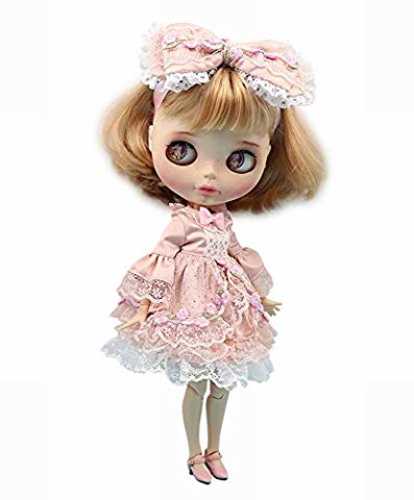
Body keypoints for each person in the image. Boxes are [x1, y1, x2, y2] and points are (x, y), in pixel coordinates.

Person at [100, 22, 326, 484]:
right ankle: (193, 453)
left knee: (222, 386)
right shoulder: (182, 223)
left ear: (268, 155)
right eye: (182, 150)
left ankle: (215, 448)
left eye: (239, 159)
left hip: (229, 314)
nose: (209, 176)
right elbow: (161, 263)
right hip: (191, 312)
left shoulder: (223, 223)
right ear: (150, 136)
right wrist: (144, 306)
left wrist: (260, 295)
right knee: (196, 385)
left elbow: (239, 255)